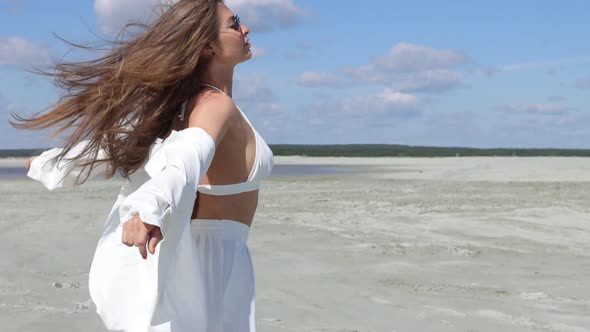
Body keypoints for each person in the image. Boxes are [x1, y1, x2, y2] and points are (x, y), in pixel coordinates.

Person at [13, 1, 273, 331]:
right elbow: (187, 157)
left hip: (205, 255)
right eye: (234, 23)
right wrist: (151, 207)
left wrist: (49, 163)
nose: (245, 28)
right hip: (215, 263)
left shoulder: (184, 105)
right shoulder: (213, 105)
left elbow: (120, 150)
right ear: (206, 45)